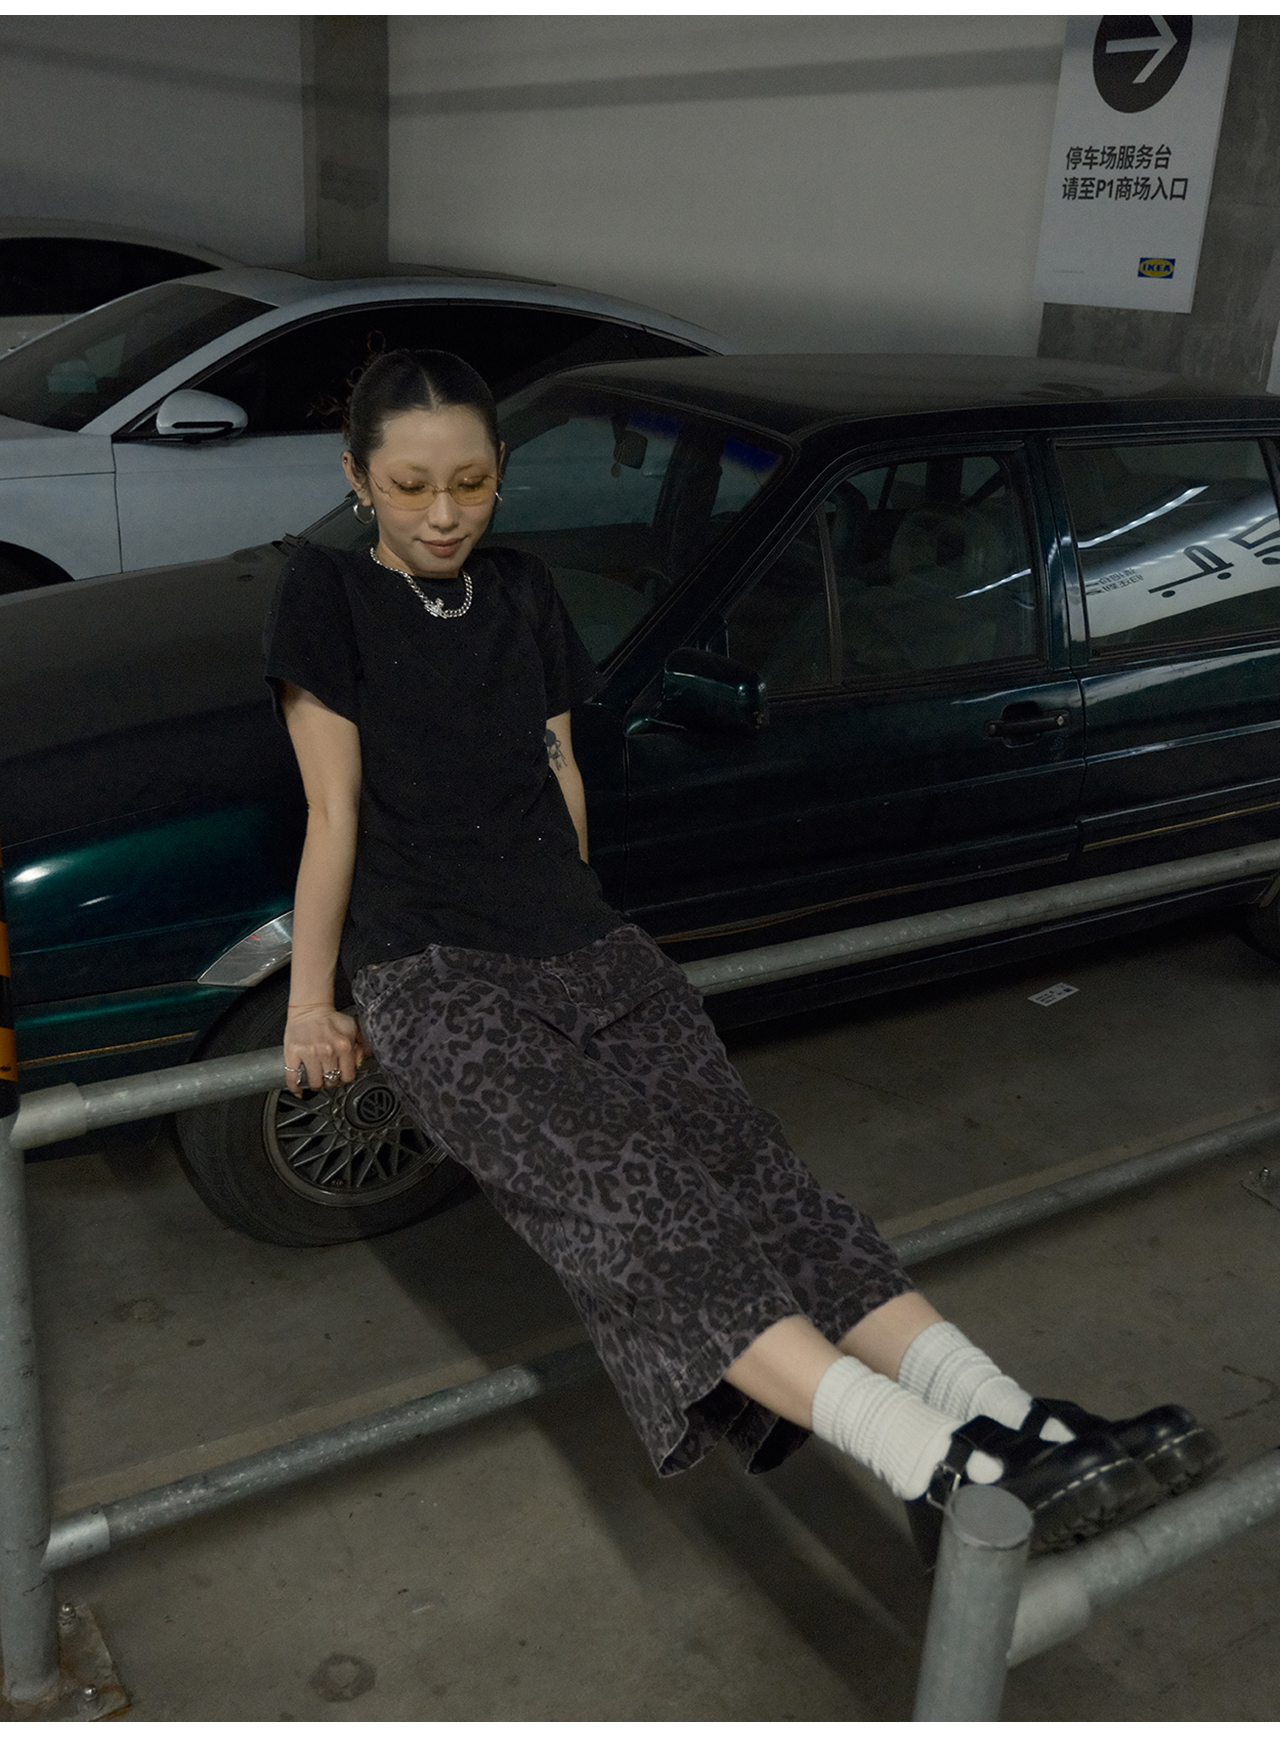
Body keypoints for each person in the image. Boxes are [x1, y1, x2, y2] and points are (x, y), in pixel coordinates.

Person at [263, 349, 1221, 1567]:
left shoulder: (521, 589)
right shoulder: (323, 594)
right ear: (358, 478)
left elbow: (559, 769)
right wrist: (311, 1002)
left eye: (469, 483)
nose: (443, 514)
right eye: (409, 487)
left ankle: (1014, 1419)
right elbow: (332, 812)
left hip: (583, 943)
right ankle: (936, 1467)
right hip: (435, 971)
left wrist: (575, 907)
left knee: (763, 1183)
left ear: (499, 469)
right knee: (638, 1213)